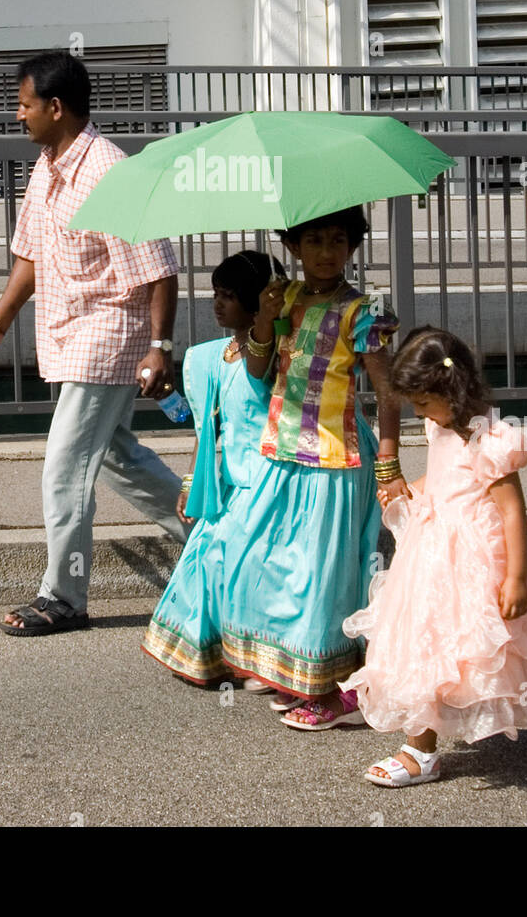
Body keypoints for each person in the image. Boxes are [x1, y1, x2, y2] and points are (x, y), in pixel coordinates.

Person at [0, 49, 188, 636]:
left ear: (56, 107)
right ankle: (220, 534)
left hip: (107, 337)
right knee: (117, 459)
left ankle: (64, 596)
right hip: (68, 335)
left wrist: (160, 346)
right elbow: (30, 255)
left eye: (24, 104)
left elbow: (158, 268)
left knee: (64, 466)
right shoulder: (47, 165)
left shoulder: (110, 172)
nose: (18, 115)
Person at [341, 326, 527, 787]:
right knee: (425, 647)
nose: (417, 412)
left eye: (424, 402)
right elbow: (448, 481)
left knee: (497, 649)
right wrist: (413, 490)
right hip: (430, 554)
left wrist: (514, 579)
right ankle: (421, 750)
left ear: (452, 390)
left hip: (475, 562)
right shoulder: (440, 425)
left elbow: (512, 513)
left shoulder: (492, 441)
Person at [222, 206, 409, 728]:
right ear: (293, 247)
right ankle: (294, 668)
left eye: (338, 240)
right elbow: (259, 372)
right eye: (315, 240)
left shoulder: (364, 310)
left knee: (322, 575)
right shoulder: (285, 300)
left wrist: (390, 462)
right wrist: (263, 317)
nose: (327, 252)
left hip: (336, 458)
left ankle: (332, 688)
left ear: (352, 247)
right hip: (280, 453)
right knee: (257, 554)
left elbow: (388, 391)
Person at [141, 250, 284, 685]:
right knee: (206, 559)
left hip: (268, 477)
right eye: (215, 294)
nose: (218, 304)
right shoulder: (210, 358)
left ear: (256, 302)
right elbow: (205, 429)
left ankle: (260, 657)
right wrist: (190, 482)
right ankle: (216, 654)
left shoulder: (277, 355)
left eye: (229, 296)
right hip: (229, 481)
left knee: (245, 564)